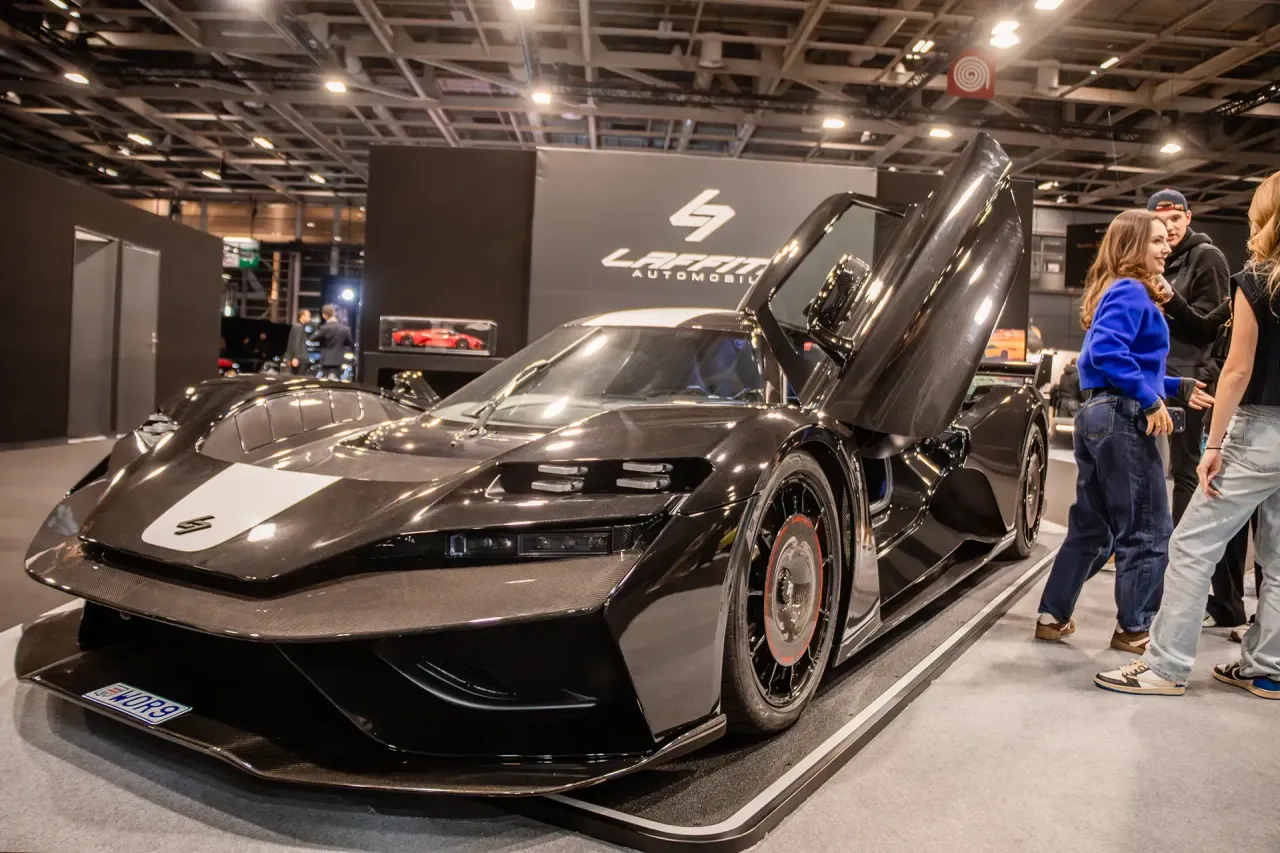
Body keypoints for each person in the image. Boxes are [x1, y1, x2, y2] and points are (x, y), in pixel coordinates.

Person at [1096, 171, 1280, 698]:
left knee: (1192, 545)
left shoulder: (1257, 280)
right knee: (1278, 558)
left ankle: (1166, 666)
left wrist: (1215, 444)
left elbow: (1237, 370)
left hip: (1259, 430)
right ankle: (1268, 668)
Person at [1035, 210, 1213, 653]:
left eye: (1166, 240)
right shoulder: (1132, 289)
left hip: (1101, 414)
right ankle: (1135, 629)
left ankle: (1052, 617)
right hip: (1123, 417)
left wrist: (1174, 387)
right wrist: (1150, 400)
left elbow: (1113, 361)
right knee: (1148, 529)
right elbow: (1107, 353)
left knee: (1092, 527)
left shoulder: (1117, 289)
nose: (1167, 247)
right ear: (1132, 246)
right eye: (1156, 240)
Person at [1147, 189, 1231, 525]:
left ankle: (1179, 547)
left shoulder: (1207, 258)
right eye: (1161, 220)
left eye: (1175, 218)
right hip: (1156, 378)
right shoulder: (1154, 261)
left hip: (1190, 381)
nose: (1169, 227)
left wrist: (1170, 302)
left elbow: (1210, 330)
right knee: (1145, 466)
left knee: (1185, 470)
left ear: (1188, 217)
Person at [309, 304, 353, 380]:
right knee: (336, 382)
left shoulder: (323, 328)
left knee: (326, 382)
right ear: (333, 313)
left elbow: (312, 338)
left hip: (326, 360)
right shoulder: (345, 329)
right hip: (338, 360)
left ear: (324, 315)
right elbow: (349, 343)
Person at [284, 308, 311, 374]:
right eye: (308, 316)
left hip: (300, 357)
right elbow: (295, 342)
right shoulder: (298, 327)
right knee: (298, 376)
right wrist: (295, 357)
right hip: (299, 358)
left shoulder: (299, 326)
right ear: (302, 316)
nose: (309, 318)